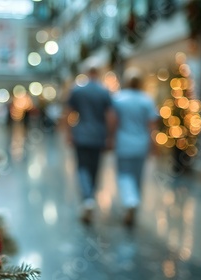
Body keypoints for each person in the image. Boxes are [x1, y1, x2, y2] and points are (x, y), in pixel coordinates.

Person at [66, 66, 115, 224]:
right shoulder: (104, 91)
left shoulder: (78, 90)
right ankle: (90, 196)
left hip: (81, 135)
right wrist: (109, 136)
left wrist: (69, 133)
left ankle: (87, 198)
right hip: (98, 135)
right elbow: (109, 115)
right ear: (98, 73)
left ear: (87, 73)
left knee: (82, 167)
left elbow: (68, 112)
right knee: (95, 168)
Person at [111, 67, 158, 227]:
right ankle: (133, 201)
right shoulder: (147, 100)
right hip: (141, 143)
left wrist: (110, 138)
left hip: (123, 142)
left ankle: (130, 200)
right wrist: (154, 144)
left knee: (124, 174)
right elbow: (152, 125)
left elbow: (113, 122)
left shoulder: (118, 99)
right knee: (137, 176)